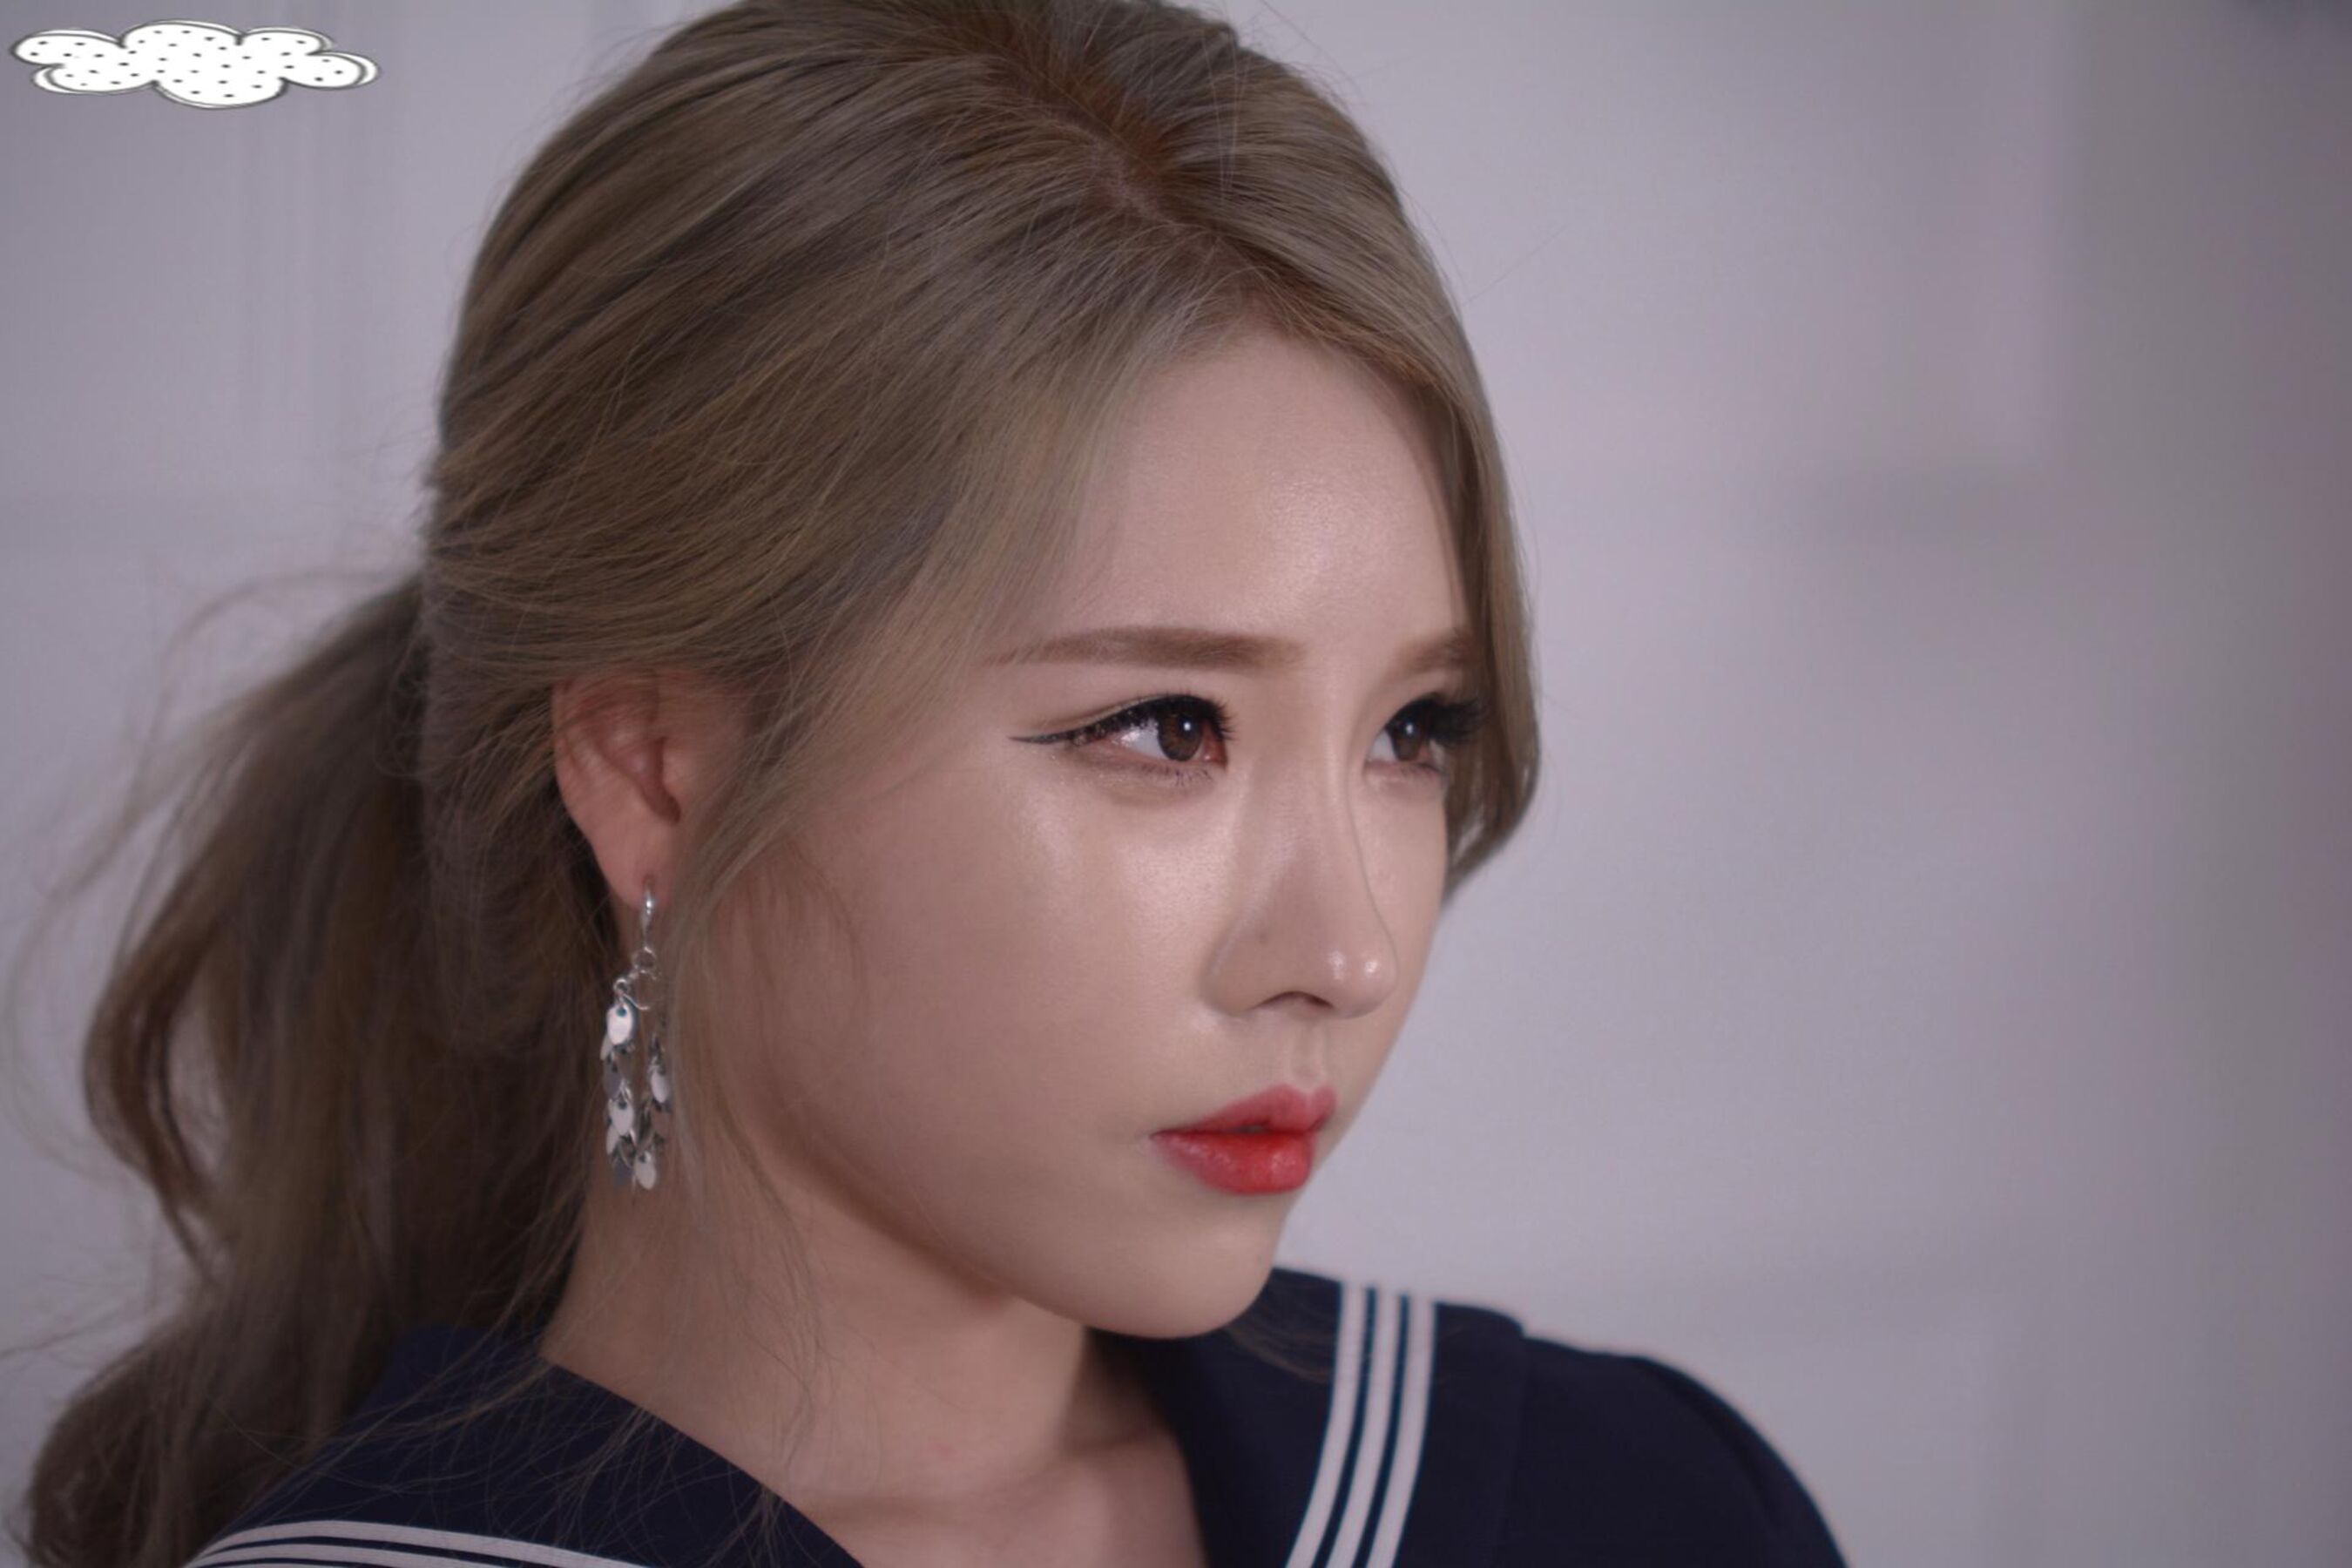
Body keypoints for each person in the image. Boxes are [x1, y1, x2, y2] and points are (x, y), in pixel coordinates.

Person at [8, 1, 1848, 1565]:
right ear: (653, 762)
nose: (1347, 953)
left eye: (1411, 731)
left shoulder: (1630, 1504)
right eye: (1167, 726)